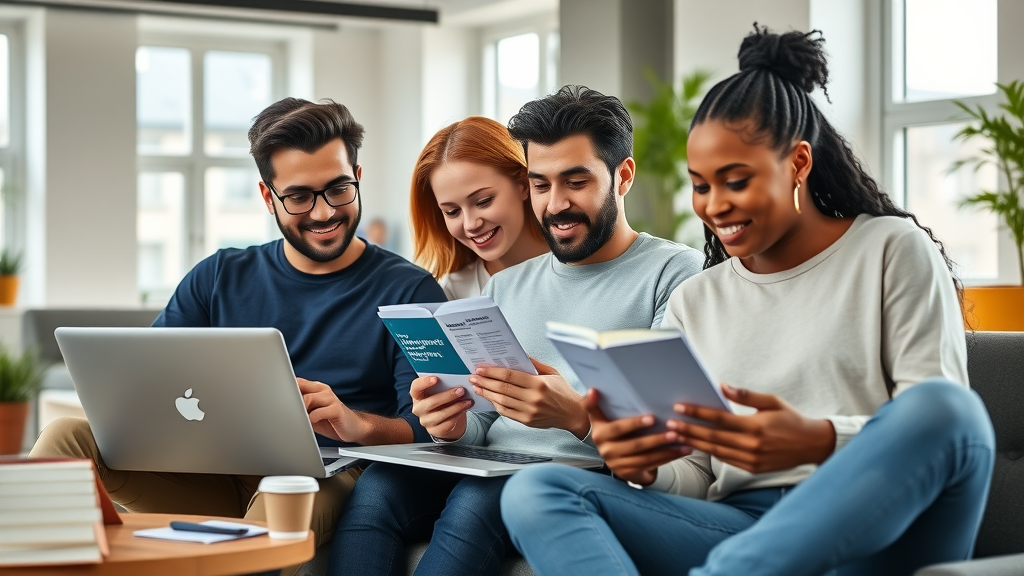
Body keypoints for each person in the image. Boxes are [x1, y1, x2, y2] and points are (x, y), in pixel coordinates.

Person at [500, 26, 996, 576]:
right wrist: (642, 465)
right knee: (536, 490)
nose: (715, 206)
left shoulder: (889, 249)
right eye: (701, 185)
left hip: (878, 524)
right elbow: (693, 473)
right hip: (740, 524)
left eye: (735, 181)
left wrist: (816, 441)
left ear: (798, 164)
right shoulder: (696, 299)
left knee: (949, 407)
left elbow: (939, 433)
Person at [30, 98, 446, 573]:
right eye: (299, 197)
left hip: (326, 476)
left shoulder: (410, 291)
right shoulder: (218, 277)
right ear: (268, 197)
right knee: (66, 436)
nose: (323, 212)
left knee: (282, 493)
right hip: (214, 472)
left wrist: (358, 425)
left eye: (338, 189)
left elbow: (432, 431)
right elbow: (145, 383)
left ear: (358, 177)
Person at [328, 88, 704, 576]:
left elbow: (667, 437)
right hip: (494, 462)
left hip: (580, 472)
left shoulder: (676, 273)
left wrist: (578, 415)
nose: (556, 203)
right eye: (540, 184)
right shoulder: (507, 283)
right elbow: (485, 418)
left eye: (576, 182)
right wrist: (452, 422)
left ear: (623, 176)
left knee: (478, 500)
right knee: (377, 488)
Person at [410, 116, 549, 300]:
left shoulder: (580, 262)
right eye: (452, 212)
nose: (470, 225)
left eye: (483, 201)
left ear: (523, 184)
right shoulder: (454, 293)